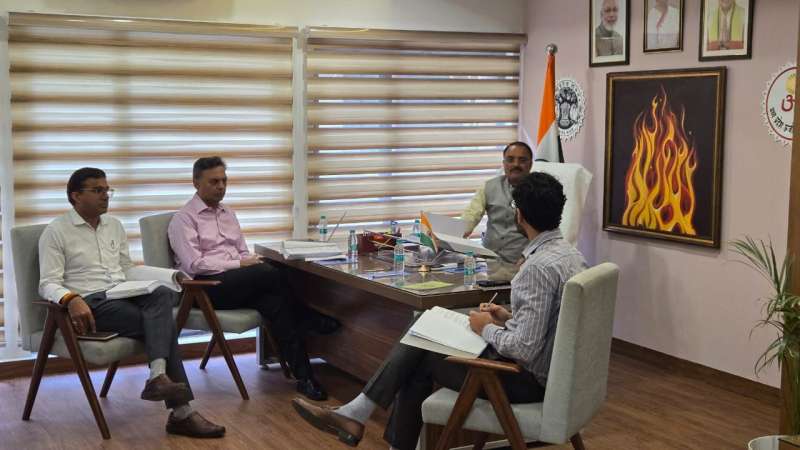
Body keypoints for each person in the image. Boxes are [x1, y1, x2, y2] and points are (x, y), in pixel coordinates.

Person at [291, 172, 588, 450]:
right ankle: (358, 415)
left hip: (525, 382)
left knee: (420, 354)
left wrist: (485, 327)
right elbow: (552, 326)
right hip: (559, 377)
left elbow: (524, 348)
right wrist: (506, 317)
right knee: (424, 327)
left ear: (519, 215)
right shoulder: (572, 257)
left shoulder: (536, 269)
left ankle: (358, 414)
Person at [38, 167, 225, 438]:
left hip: (120, 294)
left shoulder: (113, 225)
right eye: (97, 190)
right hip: (89, 304)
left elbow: (126, 269)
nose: (105, 196)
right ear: (76, 195)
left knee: (162, 294)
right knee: (163, 324)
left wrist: (172, 276)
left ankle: (158, 378)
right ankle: (181, 412)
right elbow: (47, 283)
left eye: (107, 190)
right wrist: (71, 298)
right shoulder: (56, 231)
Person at [167, 156, 339, 401]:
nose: (221, 186)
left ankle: (305, 378)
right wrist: (241, 264)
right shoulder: (183, 219)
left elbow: (242, 251)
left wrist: (249, 261)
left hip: (237, 283)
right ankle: (306, 316)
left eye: (224, 180)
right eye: (214, 181)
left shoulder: (228, 213)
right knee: (270, 272)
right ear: (196, 183)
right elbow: (195, 265)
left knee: (277, 301)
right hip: (205, 288)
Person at [461, 141, 533, 263]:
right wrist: (450, 235)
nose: (516, 164)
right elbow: (470, 217)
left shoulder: (540, 191)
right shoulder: (489, 186)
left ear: (530, 164)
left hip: (522, 262)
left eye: (522, 160)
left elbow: (544, 234)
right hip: (488, 260)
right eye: (510, 160)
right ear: (504, 164)